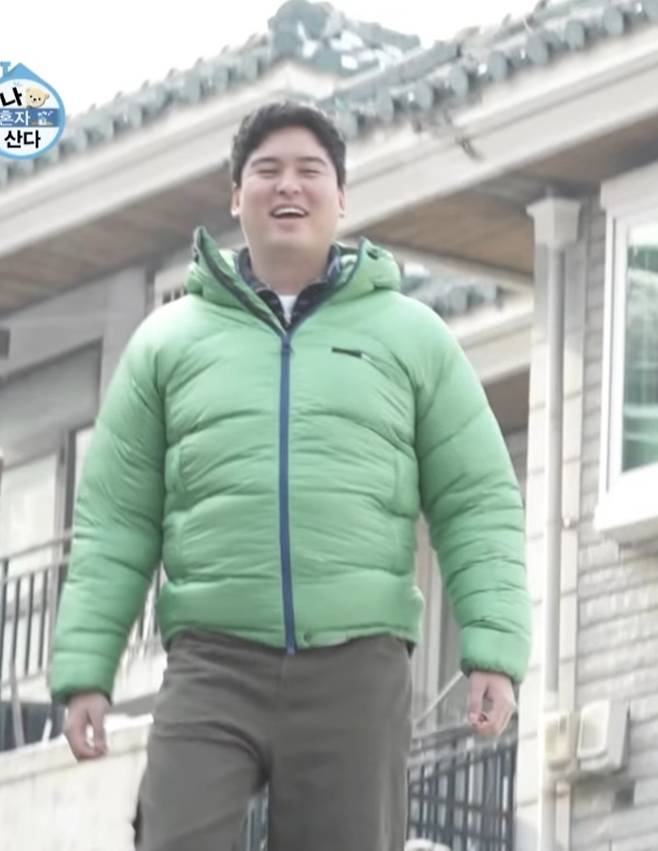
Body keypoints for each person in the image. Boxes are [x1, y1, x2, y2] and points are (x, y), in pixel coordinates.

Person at [49, 101, 531, 851]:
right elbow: (115, 519)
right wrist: (86, 669)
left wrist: (493, 651)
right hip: (212, 664)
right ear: (235, 197)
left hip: (357, 665)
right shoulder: (167, 344)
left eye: (310, 171)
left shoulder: (412, 337)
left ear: (342, 198)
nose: (288, 186)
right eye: (267, 170)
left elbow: (476, 499)